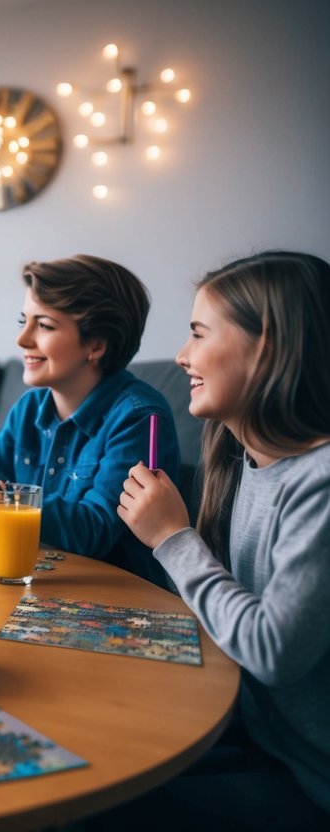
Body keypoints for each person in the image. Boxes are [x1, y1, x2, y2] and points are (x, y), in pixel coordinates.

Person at [115, 251, 330, 825]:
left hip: (309, 780)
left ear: (268, 347)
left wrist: (174, 538)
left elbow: (273, 652)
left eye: (197, 333)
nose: (181, 356)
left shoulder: (321, 484)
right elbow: (202, 612)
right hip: (253, 739)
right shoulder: (233, 460)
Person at [0, 255, 180, 586]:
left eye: (44, 325)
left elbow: (92, 534)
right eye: (23, 321)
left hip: (119, 599)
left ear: (96, 345)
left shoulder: (138, 418)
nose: (22, 340)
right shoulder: (30, 409)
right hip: (40, 588)